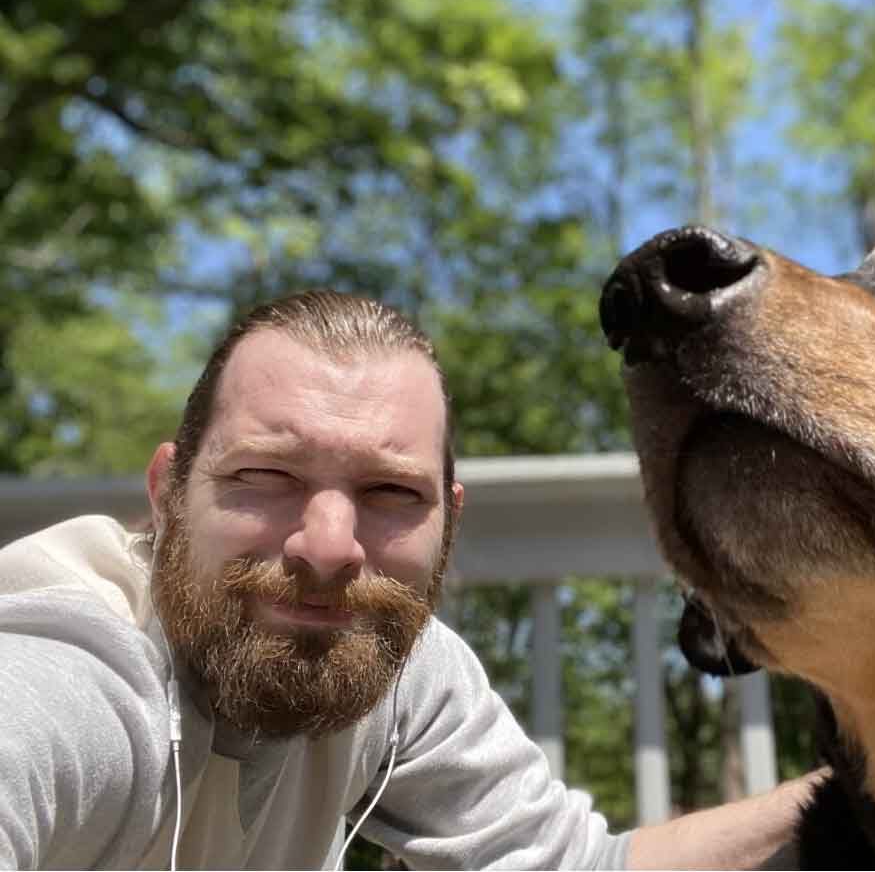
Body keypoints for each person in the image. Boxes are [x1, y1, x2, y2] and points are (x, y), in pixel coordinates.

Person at [0, 290, 818, 870]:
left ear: (448, 524)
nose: (329, 548)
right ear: (166, 497)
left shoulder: (392, 662)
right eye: (264, 475)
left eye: (390, 493)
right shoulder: (84, 672)